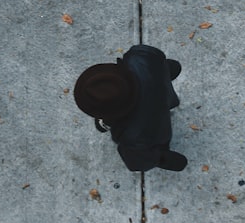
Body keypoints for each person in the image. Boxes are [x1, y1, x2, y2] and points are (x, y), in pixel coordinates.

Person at [73, 44, 188, 172]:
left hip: (157, 132)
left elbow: (138, 163)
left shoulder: (134, 137)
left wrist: (161, 159)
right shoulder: (138, 55)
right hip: (162, 94)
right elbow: (166, 64)